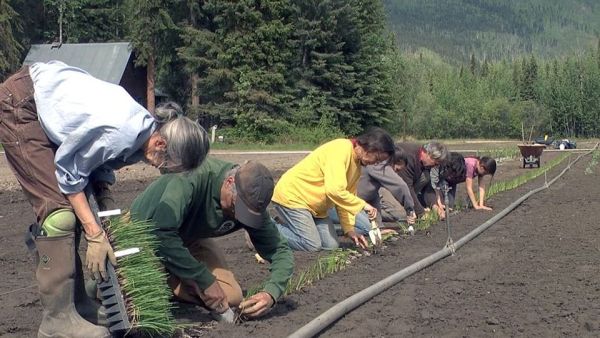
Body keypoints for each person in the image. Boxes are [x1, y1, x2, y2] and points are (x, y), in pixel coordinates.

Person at [0, 61, 209, 338]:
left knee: (78, 214)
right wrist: (96, 235)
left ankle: (80, 308)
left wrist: (105, 205)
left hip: (41, 99)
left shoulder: (142, 134)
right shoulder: (123, 132)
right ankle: (57, 322)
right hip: (22, 104)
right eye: (166, 165)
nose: (160, 170)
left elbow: (96, 165)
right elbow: (70, 172)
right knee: (60, 216)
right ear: (161, 144)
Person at [129, 158, 293, 319]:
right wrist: (203, 280)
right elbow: (161, 231)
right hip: (146, 231)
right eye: (238, 209)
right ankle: (156, 280)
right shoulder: (192, 175)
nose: (240, 217)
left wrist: (271, 293)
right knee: (143, 296)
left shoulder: (251, 205)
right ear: (229, 183)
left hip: (187, 237)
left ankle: (172, 279)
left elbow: (280, 251)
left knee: (231, 296)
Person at [272, 127, 396, 251]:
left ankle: (291, 226)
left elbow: (344, 201)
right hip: (293, 197)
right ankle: (264, 228)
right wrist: (363, 205)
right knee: (311, 245)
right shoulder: (341, 150)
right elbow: (334, 191)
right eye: (377, 159)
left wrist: (349, 230)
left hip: (315, 207)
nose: (375, 163)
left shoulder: (356, 166)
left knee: (331, 246)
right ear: (370, 148)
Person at [328, 146, 417, 234]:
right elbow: (400, 185)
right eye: (397, 170)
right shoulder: (377, 166)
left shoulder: (375, 177)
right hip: (340, 205)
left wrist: (380, 227)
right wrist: (410, 209)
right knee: (368, 229)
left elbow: (374, 197)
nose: (396, 173)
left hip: (354, 206)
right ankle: (333, 229)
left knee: (372, 228)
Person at [395, 142, 448, 217]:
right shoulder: (408, 157)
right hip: (387, 187)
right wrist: (421, 212)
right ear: (427, 154)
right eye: (435, 163)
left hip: (404, 187)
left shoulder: (426, 163)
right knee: (400, 214)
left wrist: (435, 206)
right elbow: (407, 187)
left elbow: (428, 187)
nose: (434, 166)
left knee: (426, 176)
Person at [422, 152, 467, 220]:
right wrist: (439, 204)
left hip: (441, 178)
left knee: (449, 206)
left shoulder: (458, 168)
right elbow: (434, 187)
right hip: (428, 182)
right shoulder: (436, 167)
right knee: (436, 202)